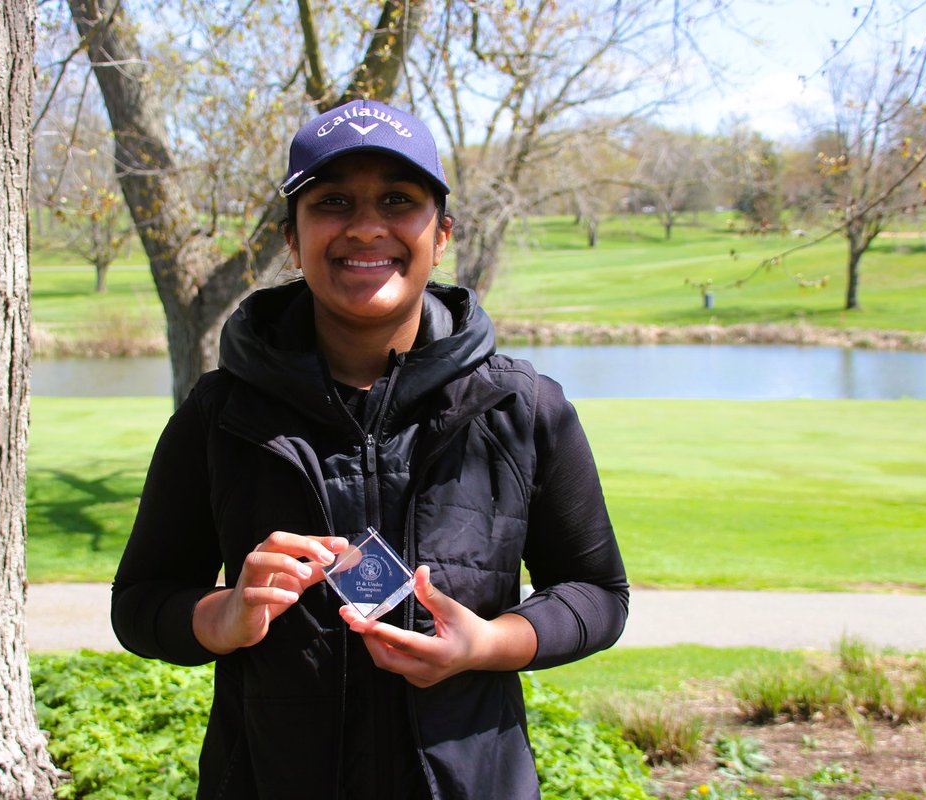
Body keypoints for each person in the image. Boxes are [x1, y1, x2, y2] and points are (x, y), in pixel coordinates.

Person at [111, 99, 629, 800]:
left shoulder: (522, 408)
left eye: (398, 199)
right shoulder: (219, 414)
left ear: (440, 233)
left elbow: (599, 594)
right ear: (291, 240)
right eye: (332, 202)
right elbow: (141, 603)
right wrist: (222, 617)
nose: (365, 226)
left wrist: (487, 644)